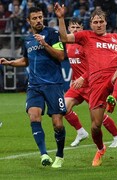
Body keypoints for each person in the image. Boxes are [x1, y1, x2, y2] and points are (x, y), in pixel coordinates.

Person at [54, 3, 117, 166]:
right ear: (90, 24)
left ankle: (113, 99)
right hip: (95, 85)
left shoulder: (116, 38)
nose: (99, 24)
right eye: (95, 22)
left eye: (101, 21)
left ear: (106, 22)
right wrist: (60, 18)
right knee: (95, 127)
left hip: (112, 78)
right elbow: (65, 38)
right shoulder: (86, 36)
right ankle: (100, 148)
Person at [0, 7, 66, 168]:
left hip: (53, 84)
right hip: (34, 85)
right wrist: (10, 63)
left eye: (40, 17)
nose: (38, 20)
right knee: (34, 117)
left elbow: (61, 56)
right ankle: (44, 154)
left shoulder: (52, 33)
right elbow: (25, 60)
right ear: (28, 21)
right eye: (34, 18)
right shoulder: (27, 39)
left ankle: (60, 154)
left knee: (58, 124)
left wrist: (44, 44)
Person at [64, 17, 117, 148]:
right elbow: (76, 65)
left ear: (82, 29)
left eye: (77, 28)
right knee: (63, 107)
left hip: (90, 83)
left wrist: (83, 77)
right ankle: (80, 132)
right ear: (68, 29)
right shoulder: (68, 44)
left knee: (98, 118)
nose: (75, 30)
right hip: (77, 85)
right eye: (72, 27)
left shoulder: (86, 42)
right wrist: (74, 78)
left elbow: (93, 65)